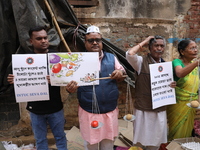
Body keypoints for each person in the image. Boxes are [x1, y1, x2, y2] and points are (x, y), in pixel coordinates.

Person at [7, 26, 67, 150]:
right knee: (40, 140)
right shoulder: (24, 60)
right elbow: (22, 79)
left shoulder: (56, 57)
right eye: (39, 38)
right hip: (35, 110)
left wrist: (57, 79)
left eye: (45, 38)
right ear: (31, 41)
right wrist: (16, 80)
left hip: (55, 107)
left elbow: (67, 78)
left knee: (60, 137)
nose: (43, 41)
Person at [66, 25, 126, 150]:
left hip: (109, 110)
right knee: (91, 144)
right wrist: (70, 88)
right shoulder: (78, 60)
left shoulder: (111, 58)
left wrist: (120, 73)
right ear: (85, 42)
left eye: (98, 40)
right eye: (90, 40)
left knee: (108, 143)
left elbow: (122, 75)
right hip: (89, 110)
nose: (95, 43)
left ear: (101, 41)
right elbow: (69, 85)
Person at [126, 36, 176, 150]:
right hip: (143, 109)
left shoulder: (166, 66)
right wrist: (145, 40)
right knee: (140, 141)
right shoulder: (140, 62)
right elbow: (130, 54)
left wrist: (171, 85)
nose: (159, 48)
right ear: (150, 47)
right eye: (156, 45)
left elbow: (167, 84)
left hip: (159, 108)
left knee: (156, 142)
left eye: (162, 46)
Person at [167, 39, 199, 141]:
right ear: (182, 51)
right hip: (178, 104)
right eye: (192, 48)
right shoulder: (177, 62)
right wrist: (196, 63)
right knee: (176, 133)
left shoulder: (195, 64)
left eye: (196, 47)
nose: (195, 50)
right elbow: (180, 73)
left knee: (187, 133)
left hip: (191, 105)